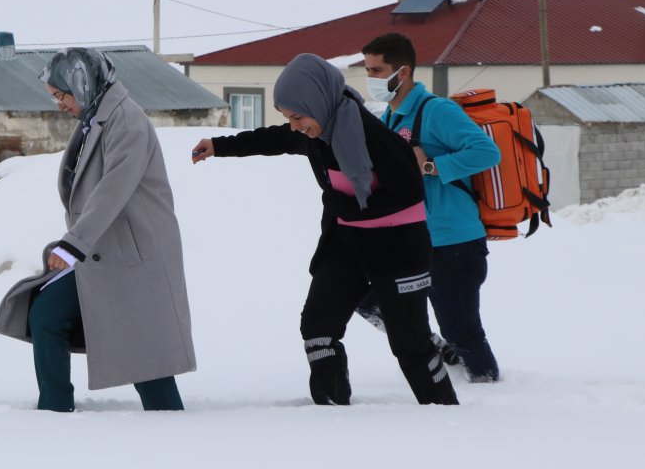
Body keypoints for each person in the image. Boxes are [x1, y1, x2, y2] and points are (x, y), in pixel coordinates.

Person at [191, 53, 457, 406]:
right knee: (318, 327)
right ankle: (331, 413)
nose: (295, 125)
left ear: (318, 100)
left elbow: (409, 194)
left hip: (398, 250)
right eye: (289, 117)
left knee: (410, 344)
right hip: (346, 246)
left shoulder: (376, 138)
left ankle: (444, 415)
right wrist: (220, 146)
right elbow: (274, 140)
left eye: (298, 116)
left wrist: (345, 206)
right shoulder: (316, 134)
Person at [0, 48, 196, 412]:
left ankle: (170, 430)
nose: (58, 104)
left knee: (147, 361)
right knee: (48, 313)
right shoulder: (98, 118)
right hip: (107, 254)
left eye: (61, 95)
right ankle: (54, 409)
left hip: (132, 257)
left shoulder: (126, 121)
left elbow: (114, 187)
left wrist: (74, 244)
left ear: (82, 84)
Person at [355, 33, 502, 382]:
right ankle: (439, 350)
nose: (370, 79)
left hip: (453, 243)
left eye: (377, 71)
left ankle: (488, 388)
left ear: (402, 72)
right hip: (411, 240)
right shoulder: (392, 117)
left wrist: (432, 166)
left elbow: (486, 152)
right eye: (368, 70)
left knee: (462, 330)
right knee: (366, 300)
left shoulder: (437, 111)